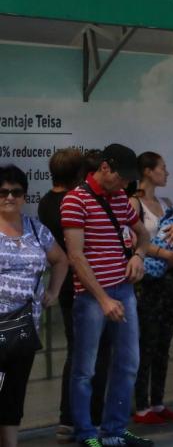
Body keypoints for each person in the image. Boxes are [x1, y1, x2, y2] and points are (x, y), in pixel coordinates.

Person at [61, 143, 154, 447]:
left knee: (129, 363)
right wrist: (102, 298)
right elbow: (76, 256)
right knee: (85, 369)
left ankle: (114, 429)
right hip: (91, 297)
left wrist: (138, 257)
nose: (125, 184)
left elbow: (143, 234)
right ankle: (86, 433)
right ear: (104, 168)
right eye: (122, 178)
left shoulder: (121, 201)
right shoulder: (75, 201)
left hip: (123, 289)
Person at [38, 148, 108, 443]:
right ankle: (82, 417)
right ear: (79, 175)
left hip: (68, 286)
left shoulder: (45, 204)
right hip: (81, 286)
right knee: (89, 353)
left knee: (78, 351)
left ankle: (72, 417)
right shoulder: (72, 202)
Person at [0, 164, 69, 446]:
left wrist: (53, 291)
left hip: (25, 326)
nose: (9, 197)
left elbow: (61, 259)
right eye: (3, 191)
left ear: (25, 196)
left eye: (16, 192)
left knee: (14, 390)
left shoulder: (35, 228)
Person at [132, 152, 173, 426]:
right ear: (147, 171)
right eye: (162, 169)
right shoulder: (134, 203)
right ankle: (141, 405)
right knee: (147, 341)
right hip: (150, 279)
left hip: (172, 277)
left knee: (164, 342)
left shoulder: (166, 203)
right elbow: (131, 241)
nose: (166, 173)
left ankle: (158, 401)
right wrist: (160, 253)